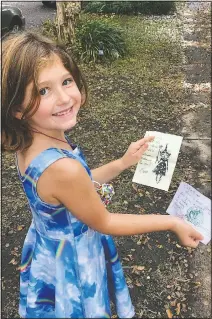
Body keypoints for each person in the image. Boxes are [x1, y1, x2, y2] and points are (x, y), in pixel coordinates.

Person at [2, 31, 203, 319]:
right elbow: (104, 220)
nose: (63, 98)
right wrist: (172, 222)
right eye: (42, 91)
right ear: (17, 108)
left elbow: (76, 188)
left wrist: (122, 162)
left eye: (66, 81)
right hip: (73, 260)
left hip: (49, 249)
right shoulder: (62, 168)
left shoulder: (32, 144)